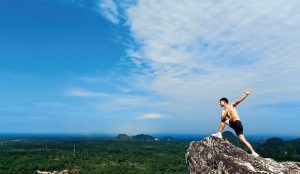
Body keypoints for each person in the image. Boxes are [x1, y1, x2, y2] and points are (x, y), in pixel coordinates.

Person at [211, 88, 260, 157]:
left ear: (224, 101)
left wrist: (246, 94)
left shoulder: (232, 105)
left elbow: (239, 100)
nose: (219, 103)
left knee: (223, 121)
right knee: (242, 139)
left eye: (220, 102)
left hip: (236, 123)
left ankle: (219, 134)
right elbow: (222, 117)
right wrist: (225, 113)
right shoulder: (223, 111)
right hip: (239, 125)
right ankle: (254, 153)